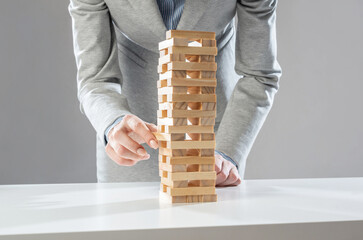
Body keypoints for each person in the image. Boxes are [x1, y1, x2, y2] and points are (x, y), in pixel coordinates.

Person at [68, 0, 281, 185]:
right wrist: (112, 121)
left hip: (216, 137)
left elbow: (260, 74)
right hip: (130, 137)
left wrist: (227, 152)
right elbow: (95, 78)